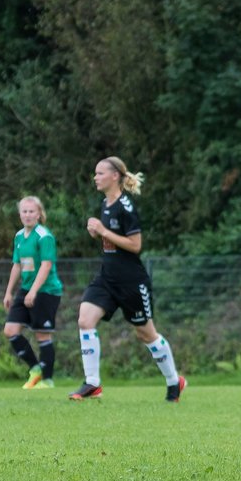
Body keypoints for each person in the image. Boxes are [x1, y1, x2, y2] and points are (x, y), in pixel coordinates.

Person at [69, 157, 186, 402]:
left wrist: (102, 230)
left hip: (131, 281)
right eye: (95, 173)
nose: (95, 177)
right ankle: (92, 383)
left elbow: (135, 245)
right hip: (107, 278)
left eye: (100, 173)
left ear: (114, 176)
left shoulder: (126, 207)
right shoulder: (106, 203)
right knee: (85, 320)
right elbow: (112, 240)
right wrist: (98, 234)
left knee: (146, 334)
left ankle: (174, 381)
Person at [2, 196, 63, 389]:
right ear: (19, 214)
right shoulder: (19, 236)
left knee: (42, 335)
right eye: (24, 211)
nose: (27, 215)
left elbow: (46, 265)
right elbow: (17, 265)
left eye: (31, 211)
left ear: (39, 214)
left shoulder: (44, 236)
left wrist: (34, 291)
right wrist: (9, 292)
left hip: (46, 290)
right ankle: (35, 369)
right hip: (26, 289)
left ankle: (47, 380)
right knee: (10, 330)